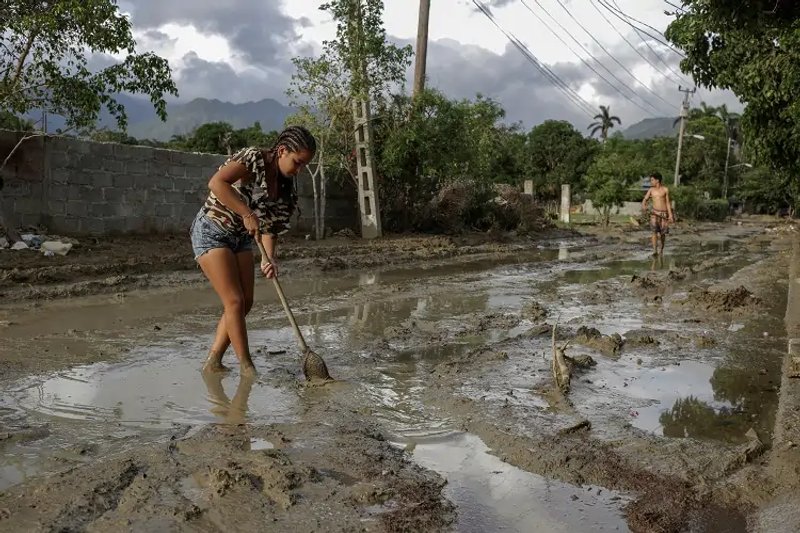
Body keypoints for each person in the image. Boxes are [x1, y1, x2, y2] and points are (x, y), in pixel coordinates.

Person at [190, 126, 316, 376]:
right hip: (212, 230)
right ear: (282, 151)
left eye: (303, 166)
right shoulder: (253, 158)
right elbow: (217, 183)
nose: (298, 170)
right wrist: (246, 213)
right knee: (234, 300)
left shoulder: (285, 188)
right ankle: (247, 368)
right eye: (297, 162)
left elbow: (270, 228)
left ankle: (214, 360)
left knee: (245, 303)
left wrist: (268, 259)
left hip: (241, 238)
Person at [641, 171, 674, 256]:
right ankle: (654, 251)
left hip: (663, 214)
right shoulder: (651, 190)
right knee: (654, 232)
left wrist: (670, 215)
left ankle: (661, 250)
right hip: (654, 214)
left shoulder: (665, 190)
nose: (651, 182)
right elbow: (645, 200)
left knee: (662, 234)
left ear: (657, 180)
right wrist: (644, 206)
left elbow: (667, 203)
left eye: (652, 180)